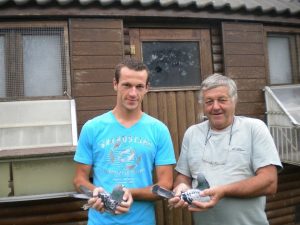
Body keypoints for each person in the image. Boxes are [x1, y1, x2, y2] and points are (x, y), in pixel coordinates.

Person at [168, 74, 282, 225]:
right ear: (203, 105)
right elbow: (184, 176)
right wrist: (181, 187)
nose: (215, 107)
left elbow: (269, 182)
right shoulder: (192, 133)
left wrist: (223, 191)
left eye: (222, 100)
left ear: (234, 101)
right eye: (209, 101)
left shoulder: (254, 128)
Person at [73, 58, 176, 225]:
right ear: (115, 84)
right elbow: (79, 180)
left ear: (147, 88)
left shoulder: (159, 130)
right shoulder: (92, 128)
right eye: (127, 85)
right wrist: (98, 194)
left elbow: (165, 185)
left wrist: (129, 193)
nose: (133, 93)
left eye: (139, 86)